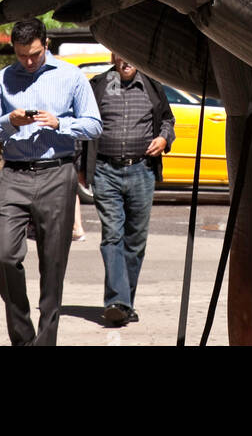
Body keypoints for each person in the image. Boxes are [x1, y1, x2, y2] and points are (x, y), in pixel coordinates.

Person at [0, 18, 102, 346]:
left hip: (57, 173)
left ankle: (45, 342)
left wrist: (61, 123)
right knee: (4, 255)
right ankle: (22, 336)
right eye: (22, 56)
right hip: (14, 173)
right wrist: (8, 122)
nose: (29, 62)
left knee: (53, 263)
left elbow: (94, 125)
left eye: (33, 54)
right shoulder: (4, 79)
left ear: (45, 44)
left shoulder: (71, 76)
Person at [80, 54, 175, 327]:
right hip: (105, 170)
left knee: (135, 240)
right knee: (112, 235)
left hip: (141, 170)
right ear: (113, 56)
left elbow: (168, 120)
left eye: (130, 56)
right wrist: (80, 166)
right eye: (119, 56)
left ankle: (125, 303)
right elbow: (83, 125)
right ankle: (117, 301)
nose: (125, 61)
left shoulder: (153, 86)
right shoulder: (97, 86)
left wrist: (163, 138)